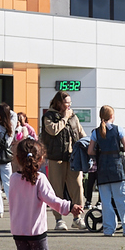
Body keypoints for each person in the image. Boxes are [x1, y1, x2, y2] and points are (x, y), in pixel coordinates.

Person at [8, 138, 75, 250]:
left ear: (18, 158)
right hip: (36, 230)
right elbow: (52, 200)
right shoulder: (40, 179)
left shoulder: (13, 179)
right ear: (41, 159)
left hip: (18, 230)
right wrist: (69, 207)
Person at [40, 91, 88, 230]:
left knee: (77, 187)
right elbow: (53, 130)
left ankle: (77, 218)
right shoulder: (49, 116)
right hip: (56, 158)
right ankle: (59, 220)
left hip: (73, 158)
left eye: (70, 102)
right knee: (57, 189)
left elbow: (81, 133)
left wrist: (88, 145)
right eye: (67, 102)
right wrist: (64, 118)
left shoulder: (73, 116)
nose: (69, 105)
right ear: (59, 103)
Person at [89, 105, 125, 236]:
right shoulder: (118, 129)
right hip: (117, 168)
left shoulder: (95, 132)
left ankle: (108, 229)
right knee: (122, 199)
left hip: (102, 169)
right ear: (112, 116)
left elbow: (90, 151)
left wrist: (101, 151)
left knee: (106, 202)